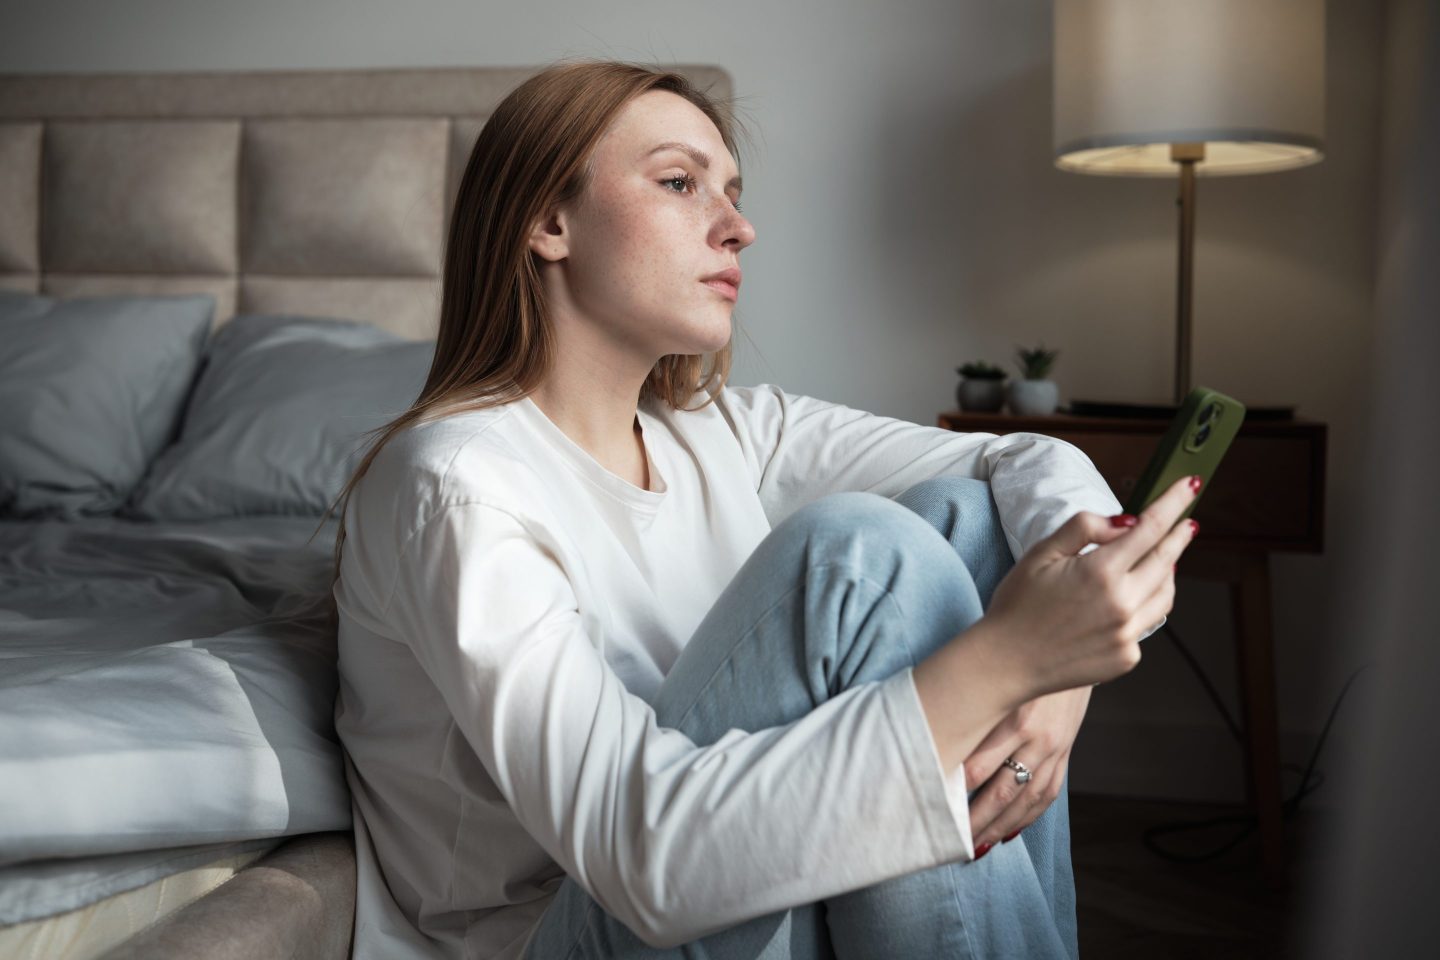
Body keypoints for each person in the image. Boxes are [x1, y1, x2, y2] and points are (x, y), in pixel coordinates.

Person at [326, 59, 1195, 960]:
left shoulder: (722, 433)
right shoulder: (456, 483)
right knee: (860, 554)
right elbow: (644, 859)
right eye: (680, 183)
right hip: (562, 929)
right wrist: (1011, 659)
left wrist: (1057, 684)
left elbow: (1023, 459)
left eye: (732, 194)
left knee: (970, 518)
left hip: (744, 885)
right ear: (548, 222)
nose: (739, 227)